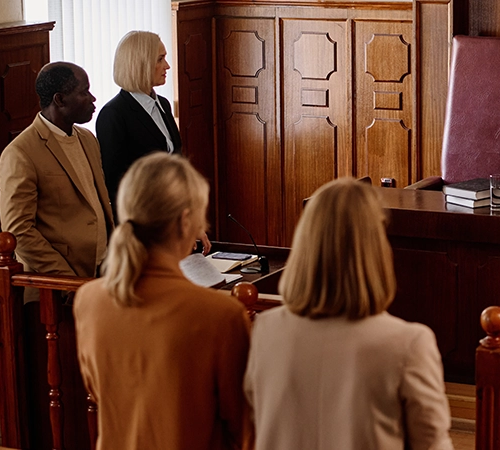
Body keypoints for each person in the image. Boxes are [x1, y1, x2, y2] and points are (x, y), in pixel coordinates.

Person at [244, 178, 453, 450]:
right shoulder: (409, 344)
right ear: (376, 248)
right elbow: (432, 444)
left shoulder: (265, 330)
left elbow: (255, 421)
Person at [74, 153, 249, 449]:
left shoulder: (88, 300)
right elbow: (242, 426)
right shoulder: (221, 314)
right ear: (184, 222)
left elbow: (98, 390)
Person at [97, 30, 210, 253]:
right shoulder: (113, 114)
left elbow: (176, 169)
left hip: (172, 223)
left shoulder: (164, 105)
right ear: (140, 63)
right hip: (143, 233)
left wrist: (190, 222)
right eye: (160, 59)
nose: (167, 66)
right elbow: (117, 185)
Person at [0, 62, 113, 281]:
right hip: (56, 286)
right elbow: (19, 230)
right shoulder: (21, 153)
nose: (93, 99)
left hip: (103, 273)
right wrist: (66, 279)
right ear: (59, 100)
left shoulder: (87, 139)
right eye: (84, 92)